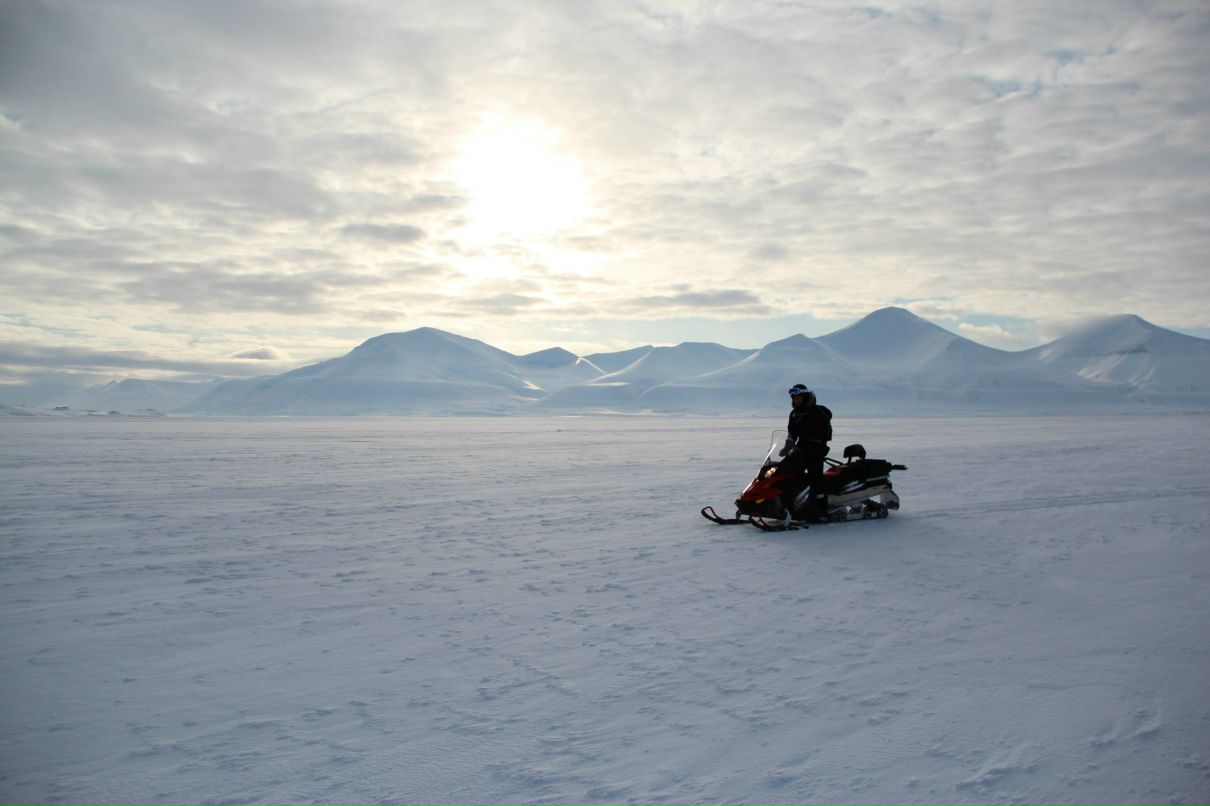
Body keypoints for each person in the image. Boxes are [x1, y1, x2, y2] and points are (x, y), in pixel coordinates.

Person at [780, 383, 832, 520]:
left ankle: (822, 509)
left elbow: (827, 432)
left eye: (798, 397)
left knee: (816, 477)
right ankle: (789, 505)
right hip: (801, 448)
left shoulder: (817, 412)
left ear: (805, 397)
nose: (796, 400)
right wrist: (787, 447)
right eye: (794, 398)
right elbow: (792, 433)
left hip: (816, 449)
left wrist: (816, 443)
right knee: (786, 472)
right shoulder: (794, 414)